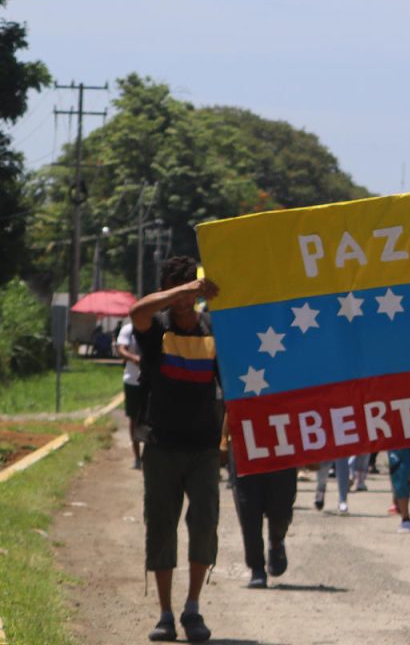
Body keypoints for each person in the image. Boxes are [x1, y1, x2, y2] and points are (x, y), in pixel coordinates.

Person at [129, 257, 222, 644]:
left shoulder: (212, 330)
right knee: (161, 528)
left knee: (204, 527)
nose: (186, 298)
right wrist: (184, 290)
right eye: (177, 288)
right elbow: (138, 310)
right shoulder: (156, 329)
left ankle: (192, 608)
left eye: (191, 288)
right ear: (168, 289)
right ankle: (165, 613)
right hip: (162, 445)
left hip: (204, 448)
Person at [229, 457, 296, 588]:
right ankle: (257, 567)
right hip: (244, 448)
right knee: (248, 511)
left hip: (281, 449)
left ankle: (276, 541)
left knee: (282, 507)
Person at [115, 319, 146, 470]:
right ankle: (137, 456)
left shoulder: (154, 327)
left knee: (151, 419)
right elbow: (121, 349)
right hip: (132, 381)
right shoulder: (129, 330)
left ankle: (148, 454)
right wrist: (133, 358)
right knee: (134, 419)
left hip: (150, 381)